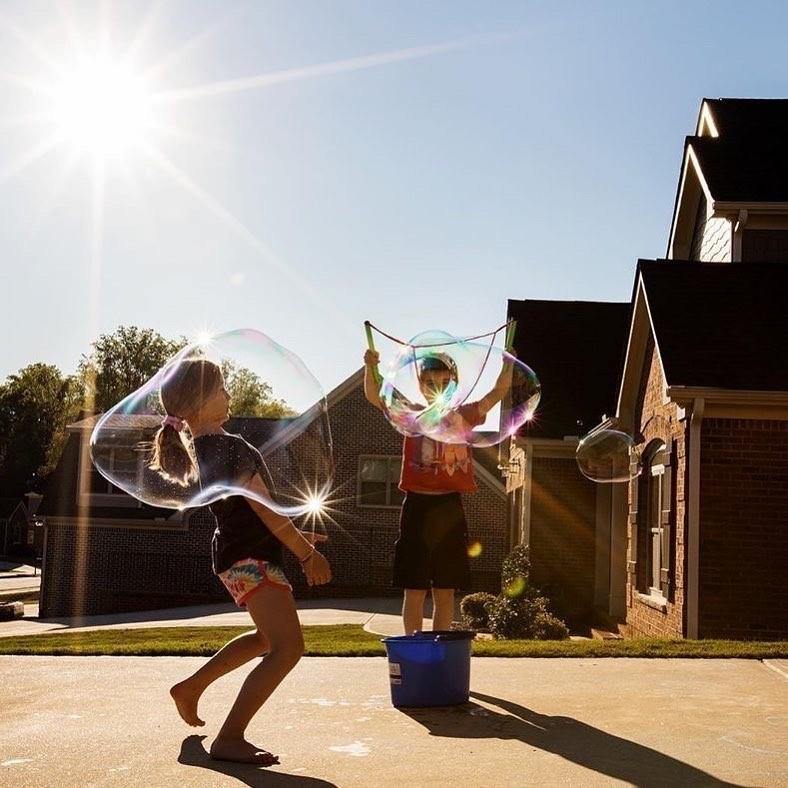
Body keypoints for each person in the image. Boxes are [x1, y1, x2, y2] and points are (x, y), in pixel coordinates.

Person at [150, 357, 331, 766]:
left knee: (267, 639)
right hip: (251, 558)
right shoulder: (228, 447)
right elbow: (265, 511)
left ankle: (191, 688)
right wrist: (307, 554)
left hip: (237, 556)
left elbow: (249, 513)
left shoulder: (208, 449)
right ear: (198, 401)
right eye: (221, 389)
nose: (229, 395)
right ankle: (230, 738)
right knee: (288, 648)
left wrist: (300, 536)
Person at [363, 347, 514, 634]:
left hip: (449, 508)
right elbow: (375, 395)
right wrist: (370, 367)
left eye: (445, 383)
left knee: (445, 590)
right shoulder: (411, 415)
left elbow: (496, 393)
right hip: (417, 506)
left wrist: (506, 366)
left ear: (454, 384)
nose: (438, 388)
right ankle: (413, 646)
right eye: (431, 383)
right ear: (420, 385)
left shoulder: (464, 416)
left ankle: (440, 646)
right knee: (415, 588)